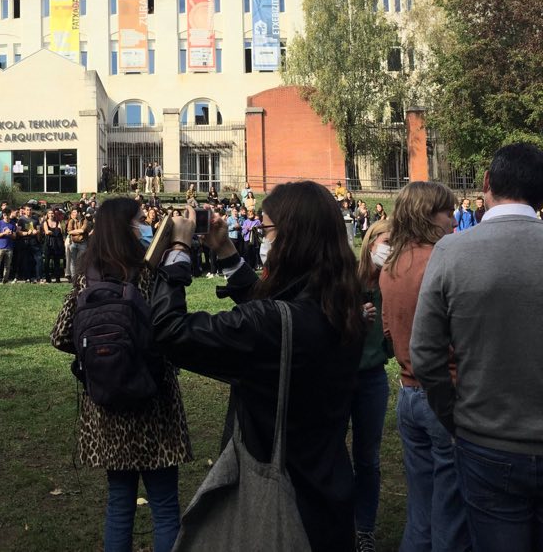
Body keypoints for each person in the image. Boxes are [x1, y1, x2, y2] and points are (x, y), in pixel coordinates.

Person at [151, 182, 365, 551]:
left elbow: (171, 332)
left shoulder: (273, 325)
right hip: (329, 490)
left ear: (291, 238)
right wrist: (227, 252)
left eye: (265, 230)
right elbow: (282, 309)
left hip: (278, 505)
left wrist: (179, 252)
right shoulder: (342, 305)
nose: (263, 239)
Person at [411, 143, 543, 551]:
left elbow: (425, 354)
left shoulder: (452, 250)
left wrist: (452, 415)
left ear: (486, 183)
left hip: (485, 441)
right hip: (485, 438)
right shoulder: (451, 248)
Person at [52, 198, 188, 552]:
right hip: (153, 401)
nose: (146, 224)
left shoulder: (86, 277)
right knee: (164, 507)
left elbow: (60, 335)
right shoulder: (149, 275)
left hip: (107, 403)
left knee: (119, 504)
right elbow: (172, 331)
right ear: (127, 227)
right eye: (141, 220)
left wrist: (99, 355)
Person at [375, 181, 470, 552]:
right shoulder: (442, 261)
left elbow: (386, 326)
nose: (453, 221)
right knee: (451, 512)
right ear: (428, 215)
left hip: (409, 395)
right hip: (444, 394)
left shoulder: (391, 264)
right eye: (448, 213)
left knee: (421, 510)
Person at [350, 218, 394, 552]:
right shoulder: (346, 276)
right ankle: (333, 518)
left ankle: (364, 528)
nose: (389, 248)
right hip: (338, 376)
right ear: (370, 240)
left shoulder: (394, 282)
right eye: (385, 240)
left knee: (368, 458)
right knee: (330, 450)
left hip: (373, 378)